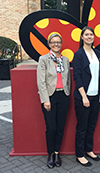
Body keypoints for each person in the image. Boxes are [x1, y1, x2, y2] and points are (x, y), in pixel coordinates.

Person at [72, 26, 100, 167]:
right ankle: (80, 154)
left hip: (96, 96)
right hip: (83, 98)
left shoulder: (97, 53)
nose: (89, 37)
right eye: (86, 35)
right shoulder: (78, 54)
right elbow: (77, 76)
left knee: (91, 125)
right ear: (82, 37)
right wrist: (84, 96)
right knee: (82, 127)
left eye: (91, 34)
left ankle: (88, 149)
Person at [37, 34, 70, 168]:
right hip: (50, 97)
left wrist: (67, 93)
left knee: (60, 127)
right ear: (49, 44)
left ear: (61, 43)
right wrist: (45, 100)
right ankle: (50, 154)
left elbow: (67, 79)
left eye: (58, 42)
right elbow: (41, 81)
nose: (56, 44)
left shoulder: (65, 59)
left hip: (63, 96)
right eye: (53, 42)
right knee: (51, 128)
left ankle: (57, 153)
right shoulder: (43, 59)